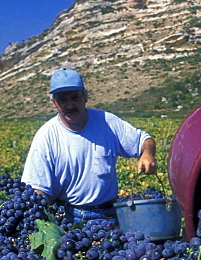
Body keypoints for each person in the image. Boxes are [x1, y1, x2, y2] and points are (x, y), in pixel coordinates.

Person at [21, 68, 158, 224]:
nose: (70, 105)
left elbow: (144, 140)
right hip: (69, 218)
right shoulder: (46, 136)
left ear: (85, 97)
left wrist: (147, 154)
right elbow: (38, 189)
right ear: (54, 103)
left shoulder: (107, 122)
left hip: (109, 215)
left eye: (75, 98)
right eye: (62, 100)